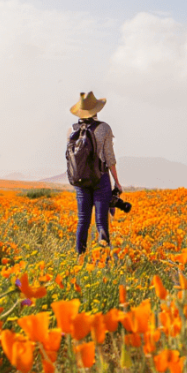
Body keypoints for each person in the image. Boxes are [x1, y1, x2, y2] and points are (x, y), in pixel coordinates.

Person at [69, 91, 123, 255]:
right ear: (96, 110)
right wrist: (117, 182)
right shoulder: (104, 128)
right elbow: (109, 157)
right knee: (101, 222)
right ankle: (103, 260)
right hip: (101, 180)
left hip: (80, 180)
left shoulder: (72, 129)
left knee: (83, 221)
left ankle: (80, 259)